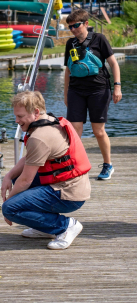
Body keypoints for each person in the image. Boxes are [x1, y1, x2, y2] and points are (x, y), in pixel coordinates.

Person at [1, 91, 91, 250]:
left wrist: (7, 205)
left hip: (69, 193)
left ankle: (65, 226)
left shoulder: (39, 136)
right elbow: (29, 160)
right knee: (15, 179)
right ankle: (44, 227)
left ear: (36, 112)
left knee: (10, 209)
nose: (16, 121)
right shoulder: (48, 120)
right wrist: (8, 176)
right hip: (68, 183)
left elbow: (26, 181)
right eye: (16, 116)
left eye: (20, 116)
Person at [64, 9, 122, 180]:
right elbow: (68, 70)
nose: (73, 29)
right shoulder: (70, 43)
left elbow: (113, 64)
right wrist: (66, 94)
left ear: (86, 24)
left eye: (76, 25)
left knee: (98, 131)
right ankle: (75, 165)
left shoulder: (99, 39)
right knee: (74, 131)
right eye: (70, 27)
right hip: (76, 90)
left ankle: (107, 165)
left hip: (99, 89)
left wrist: (117, 86)